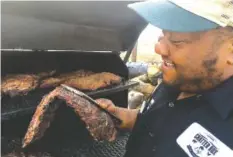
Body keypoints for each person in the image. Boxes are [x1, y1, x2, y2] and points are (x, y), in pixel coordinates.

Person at [96, 0, 233, 156]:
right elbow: (160, 123)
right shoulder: (179, 81)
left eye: (176, 41)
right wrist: (121, 116)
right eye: (162, 36)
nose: (158, 48)